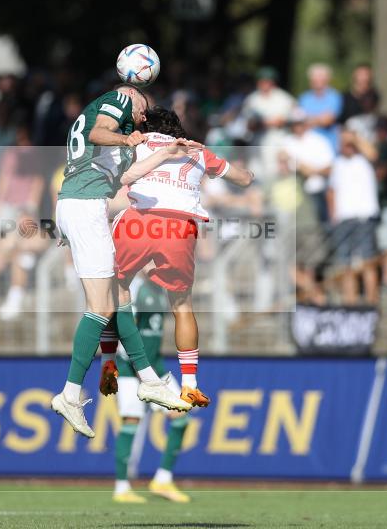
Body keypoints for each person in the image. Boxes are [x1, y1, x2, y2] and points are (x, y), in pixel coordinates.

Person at [52, 84, 191, 439]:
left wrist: (166, 153)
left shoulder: (121, 135)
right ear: (131, 91)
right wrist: (127, 139)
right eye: (144, 106)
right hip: (85, 206)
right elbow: (100, 132)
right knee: (101, 307)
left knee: (119, 297)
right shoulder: (120, 100)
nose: (143, 116)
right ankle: (70, 393)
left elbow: (125, 175)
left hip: (80, 204)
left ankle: (149, 380)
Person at [108, 106, 253, 405]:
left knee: (113, 291)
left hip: (140, 219)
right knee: (182, 305)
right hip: (180, 227)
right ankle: (189, 384)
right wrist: (249, 174)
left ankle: (111, 362)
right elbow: (242, 179)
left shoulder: (138, 142)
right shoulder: (198, 151)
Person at [113, 276, 192, 504]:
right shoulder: (136, 289)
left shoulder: (162, 291)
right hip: (131, 370)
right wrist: (140, 370)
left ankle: (162, 479)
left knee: (180, 416)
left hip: (156, 367)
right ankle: (121, 487)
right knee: (131, 422)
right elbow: (124, 332)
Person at [326, 130, 380, 304]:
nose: (346, 146)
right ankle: (350, 304)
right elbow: (331, 191)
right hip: (343, 219)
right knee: (345, 264)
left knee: (368, 262)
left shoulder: (364, 159)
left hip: (364, 217)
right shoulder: (337, 163)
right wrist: (333, 214)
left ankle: (371, 303)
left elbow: (373, 153)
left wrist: (355, 138)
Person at [298, 63, 343, 149]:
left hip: (328, 145)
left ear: (327, 79)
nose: (317, 80)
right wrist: (319, 119)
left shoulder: (334, 96)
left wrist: (308, 119)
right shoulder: (304, 98)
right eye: (314, 77)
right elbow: (299, 122)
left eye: (320, 76)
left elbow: (327, 120)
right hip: (307, 144)